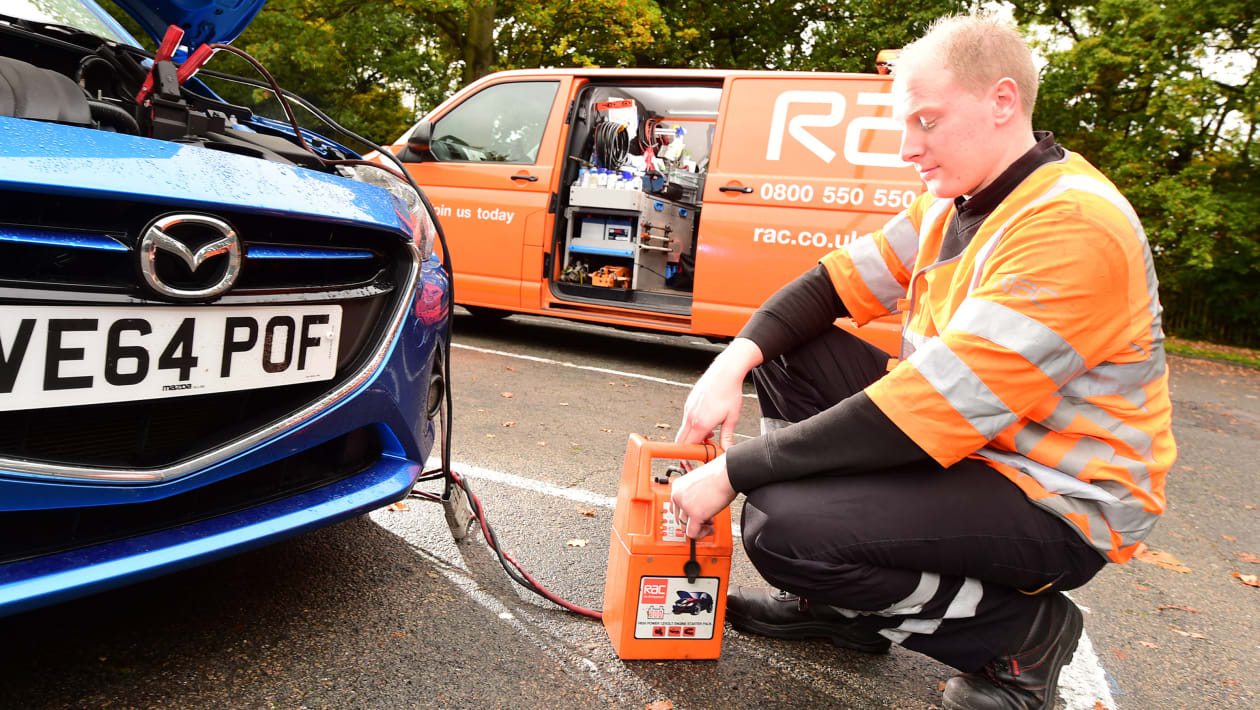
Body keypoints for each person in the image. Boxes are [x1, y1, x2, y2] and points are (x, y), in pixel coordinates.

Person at [670, 13, 1174, 710]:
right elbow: (832, 284)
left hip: (1058, 494)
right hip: (973, 445)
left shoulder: (1071, 227)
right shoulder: (958, 201)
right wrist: (733, 360)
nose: (909, 147)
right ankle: (840, 609)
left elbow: (923, 413)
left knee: (783, 531)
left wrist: (734, 472)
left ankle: (1020, 637)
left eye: (926, 122)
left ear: (1002, 102)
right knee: (788, 354)